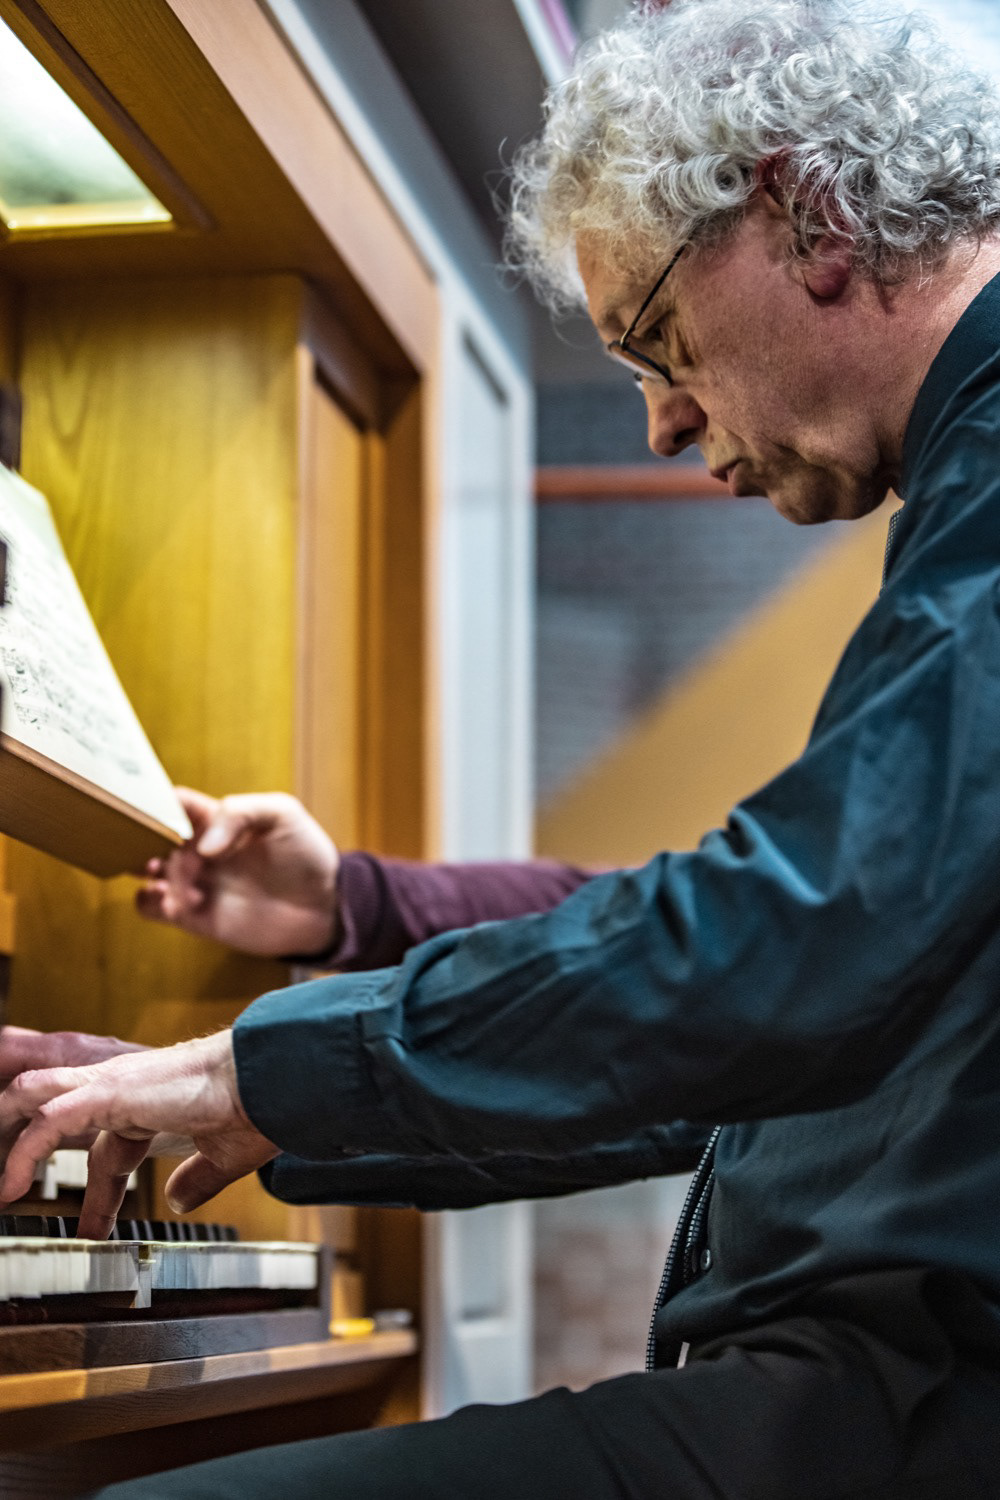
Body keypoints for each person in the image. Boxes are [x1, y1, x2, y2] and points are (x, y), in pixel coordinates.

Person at [4, 0, 1000, 1491]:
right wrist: (312, 1001)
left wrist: (265, 1072)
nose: (662, 424)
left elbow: (789, 944)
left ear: (811, 215)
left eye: (656, 342)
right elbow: (752, 983)